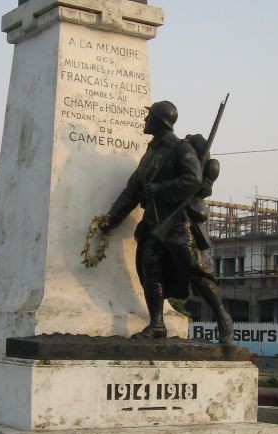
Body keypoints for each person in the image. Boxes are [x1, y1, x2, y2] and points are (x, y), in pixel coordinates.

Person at [100, 100, 234, 343]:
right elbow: (132, 191)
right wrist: (112, 218)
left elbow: (192, 179)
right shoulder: (150, 154)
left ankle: (223, 317)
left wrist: (159, 189)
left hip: (177, 223)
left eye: (148, 116)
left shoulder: (179, 148)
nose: (145, 120)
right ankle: (157, 324)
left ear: (159, 121)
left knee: (194, 271)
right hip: (153, 225)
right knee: (151, 272)